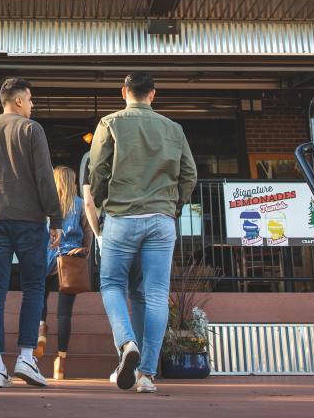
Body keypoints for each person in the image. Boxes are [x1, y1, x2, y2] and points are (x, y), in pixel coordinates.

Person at [89, 72, 197, 394]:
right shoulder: (174, 129)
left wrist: (100, 200)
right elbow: (189, 174)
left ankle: (126, 344)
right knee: (155, 294)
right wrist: (172, 206)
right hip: (161, 219)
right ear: (153, 94)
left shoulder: (110, 123)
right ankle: (147, 374)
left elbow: (97, 169)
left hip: (122, 217)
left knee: (111, 284)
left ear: (124, 92)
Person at [0, 77, 62, 389]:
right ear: (19, 100)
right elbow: (44, 176)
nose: (33, 105)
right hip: (29, 220)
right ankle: (26, 356)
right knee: (34, 286)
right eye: (31, 99)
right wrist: (57, 217)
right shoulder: (31, 128)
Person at [79, 148, 145, 384]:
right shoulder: (134, 154)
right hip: (145, 225)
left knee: (113, 288)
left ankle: (127, 346)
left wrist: (98, 234)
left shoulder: (90, 158)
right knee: (139, 294)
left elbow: (88, 202)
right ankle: (143, 370)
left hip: (113, 227)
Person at [37, 165, 90, 379]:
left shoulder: (46, 206)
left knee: (40, 295)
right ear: (72, 182)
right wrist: (84, 252)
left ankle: (41, 330)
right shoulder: (79, 205)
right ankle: (61, 361)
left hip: (47, 259)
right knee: (64, 313)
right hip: (70, 260)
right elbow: (88, 232)